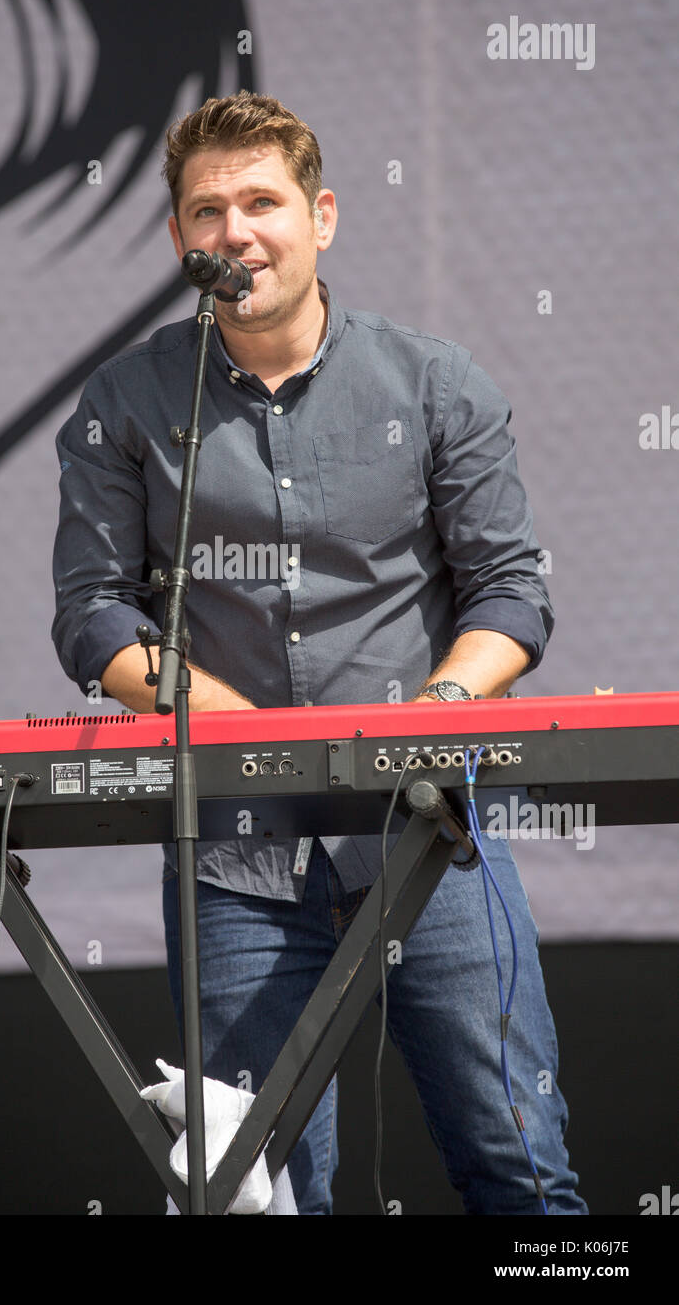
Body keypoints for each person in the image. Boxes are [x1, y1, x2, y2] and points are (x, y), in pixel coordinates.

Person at [51, 90, 587, 1215]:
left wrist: (428, 712)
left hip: (426, 836)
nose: (233, 231)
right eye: (206, 210)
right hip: (233, 867)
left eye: (261, 201)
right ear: (177, 239)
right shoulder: (126, 400)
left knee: (519, 1170)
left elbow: (512, 595)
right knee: (257, 1198)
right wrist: (258, 740)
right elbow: (94, 615)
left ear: (322, 216)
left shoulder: (434, 384)